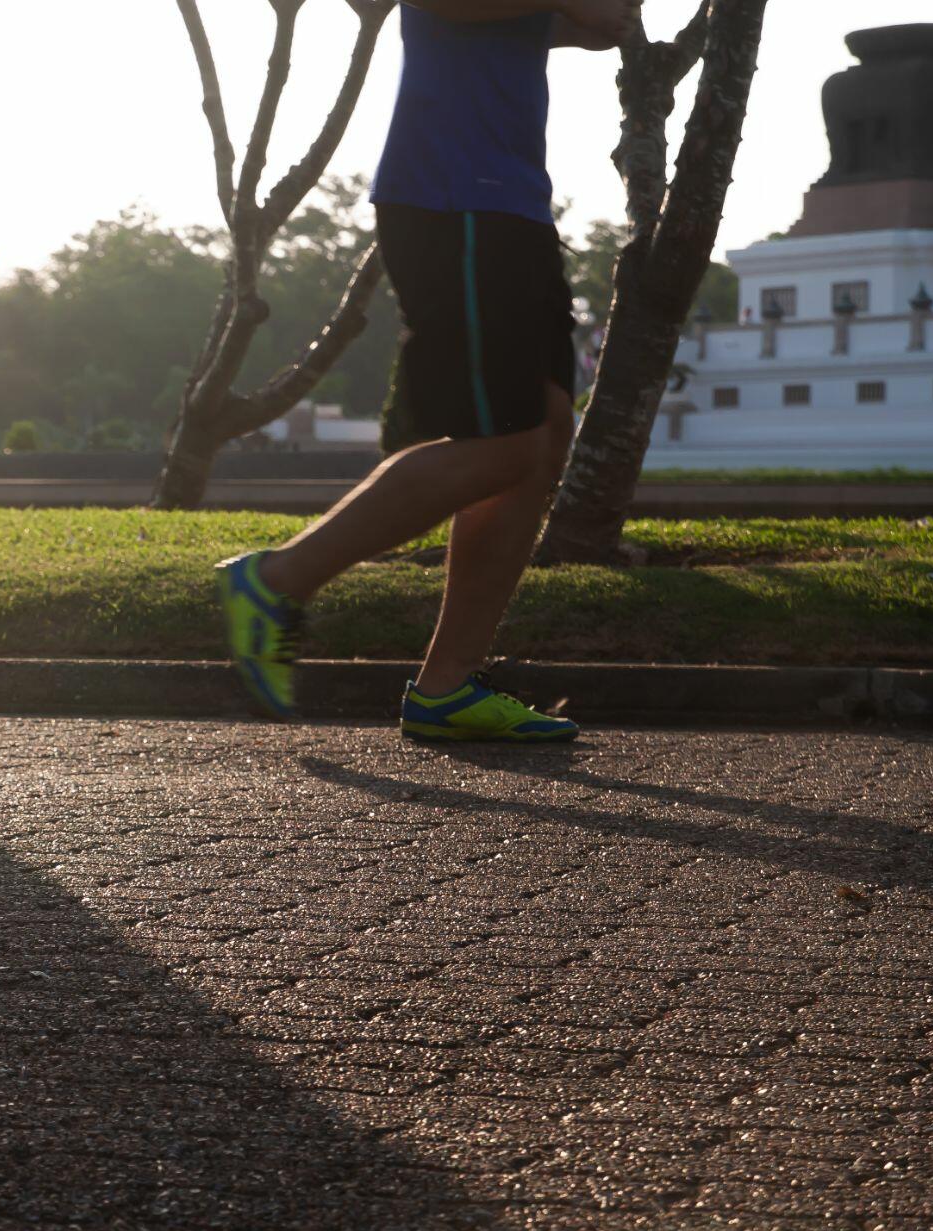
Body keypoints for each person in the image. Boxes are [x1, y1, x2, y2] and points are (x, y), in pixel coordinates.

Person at [217, 0, 636, 742]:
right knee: (502, 445)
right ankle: (277, 579)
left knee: (542, 441)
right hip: (454, 202)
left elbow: (611, 24)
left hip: (514, 208)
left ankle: (447, 687)